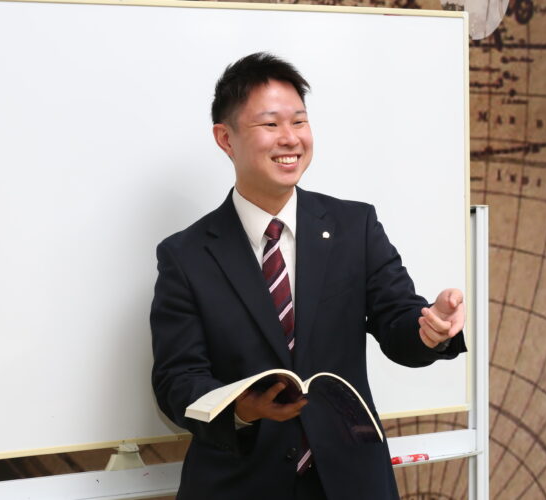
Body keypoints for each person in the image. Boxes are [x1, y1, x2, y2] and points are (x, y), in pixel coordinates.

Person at [150, 52, 467, 500]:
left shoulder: (355, 227)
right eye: (270, 124)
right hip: (239, 485)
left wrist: (430, 328)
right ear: (225, 138)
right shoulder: (186, 255)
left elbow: (399, 323)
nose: (290, 138)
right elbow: (177, 380)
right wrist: (241, 409)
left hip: (351, 482)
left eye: (299, 121)